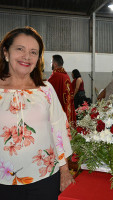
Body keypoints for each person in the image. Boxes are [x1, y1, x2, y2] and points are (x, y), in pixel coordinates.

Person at [0, 26, 75, 200]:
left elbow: (59, 130)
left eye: (33, 52)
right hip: (3, 181)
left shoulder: (46, 90)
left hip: (46, 177)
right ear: (6, 52)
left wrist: (64, 171)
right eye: (20, 49)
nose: (27, 56)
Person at [48, 55, 76, 127]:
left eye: (51, 62)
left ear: (55, 64)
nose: (50, 64)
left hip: (60, 109)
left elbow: (47, 89)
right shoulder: (65, 75)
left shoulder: (56, 75)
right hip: (66, 107)